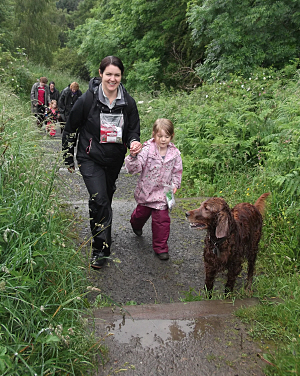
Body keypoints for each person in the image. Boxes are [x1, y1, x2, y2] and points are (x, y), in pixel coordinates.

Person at [62, 56, 142, 269]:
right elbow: (70, 128)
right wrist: (68, 156)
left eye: (117, 75)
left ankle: (99, 224)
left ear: (121, 76)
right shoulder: (87, 99)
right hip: (90, 157)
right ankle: (101, 249)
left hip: (114, 159)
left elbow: (133, 129)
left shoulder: (128, 102)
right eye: (109, 74)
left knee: (101, 199)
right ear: (101, 74)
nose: (113, 79)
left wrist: (134, 141)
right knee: (100, 199)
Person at [125, 118, 183, 260]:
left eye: (167, 136)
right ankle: (135, 224)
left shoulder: (174, 154)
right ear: (153, 135)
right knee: (141, 214)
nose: (163, 140)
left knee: (162, 220)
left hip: (163, 193)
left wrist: (175, 185)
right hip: (147, 191)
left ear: (172, 136)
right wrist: (133, 157)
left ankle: (161, 247)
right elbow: (135, 168)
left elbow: (177, 171)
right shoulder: (147, 150)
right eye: (160, 136)